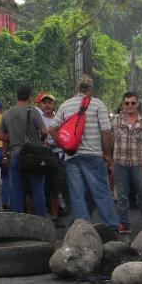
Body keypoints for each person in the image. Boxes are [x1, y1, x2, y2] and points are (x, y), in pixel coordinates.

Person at [52, 75, 119, 228]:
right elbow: (105, 132)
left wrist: (64, 145)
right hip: (93, 155)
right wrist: (107, 154)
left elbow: (52, 128)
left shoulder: (66, 105)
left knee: (77, 194)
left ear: (77, 87)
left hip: (72, 155)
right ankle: (111, 226)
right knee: (101, 192)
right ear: (91, 88)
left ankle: (82, 228)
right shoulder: (97, 104)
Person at [0, 86, 49, 217]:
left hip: (16, 154)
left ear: (17, 96)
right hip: (34, 156)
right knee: (37, 188)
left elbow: (1, 136)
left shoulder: (7, 114)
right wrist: (39, 140)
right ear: (29, 97)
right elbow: (44, 131)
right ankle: (41, 221)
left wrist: (14, 137)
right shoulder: (33, 112)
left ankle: (17, 221)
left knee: (16, 189)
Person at [112, 91, 142, 232]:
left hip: (138, 163)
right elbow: (108, 137)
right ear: (123, 104)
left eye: (133, 103)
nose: (130, 106)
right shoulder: (116, 120)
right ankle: (124, 224)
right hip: (120, 162)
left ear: (137, 104)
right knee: (122, 196)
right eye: (127, 103)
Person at [36, 92, 65, 222]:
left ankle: (55, 215)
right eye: (44, 102)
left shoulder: (59, 119)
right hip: (41, 155)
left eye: (50, 102)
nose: (47, 105)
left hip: (56, 154)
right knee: (41, 185)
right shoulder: (38, 118)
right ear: (40, 104)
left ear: (54, 105)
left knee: (56, 186)